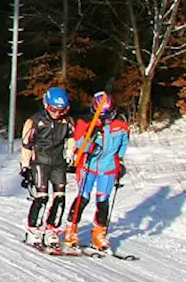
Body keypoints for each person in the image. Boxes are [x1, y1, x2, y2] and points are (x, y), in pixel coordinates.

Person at [65, 91, 130, 251]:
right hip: (89, 166)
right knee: (83, 197)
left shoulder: (120, 125)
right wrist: (91, 139)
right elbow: (80, 145)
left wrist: (120, 162)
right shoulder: (85, 122)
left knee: (103, 200)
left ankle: (99, 233)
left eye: (109, 116)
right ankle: (71, 230)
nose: (106, 120)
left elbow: (123, 143)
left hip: (107, 168)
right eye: (102, 117)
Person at [20, 87, 73, 247]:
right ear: (46, 105)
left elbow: (71, 138)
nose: (57, 113)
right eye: (53, 109)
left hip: (58, 163)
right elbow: (26, 145)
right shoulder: (35, 121)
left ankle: (52, 229)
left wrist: (71, 153)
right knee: (42, 197)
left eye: (61, 110)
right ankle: (33, 229)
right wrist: (25, 166)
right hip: (40, 163)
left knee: (60, 197)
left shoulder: (67, 121)